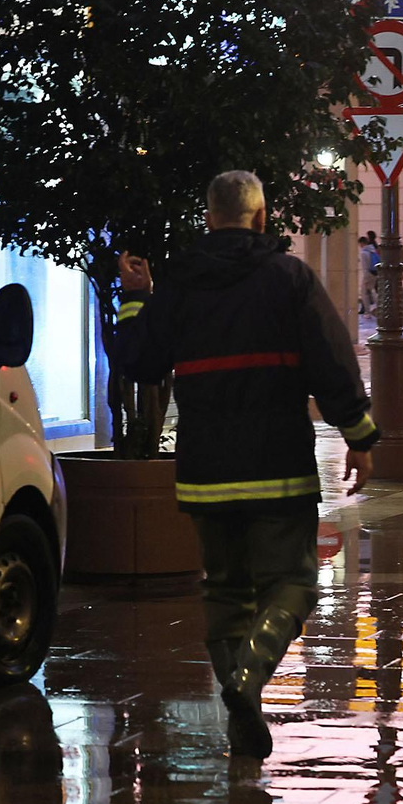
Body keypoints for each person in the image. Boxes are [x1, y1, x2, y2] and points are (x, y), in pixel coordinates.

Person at [116, 170, 379, 757]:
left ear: (209, 218)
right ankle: (245, 680)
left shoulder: (178, 286)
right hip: (278, 468)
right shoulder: (289, 279)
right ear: (261, 218)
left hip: (206, 473)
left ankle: (242, 717)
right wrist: (359, 433)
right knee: (293, 582)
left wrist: (135, 298)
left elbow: (140, 361)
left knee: (226, 592)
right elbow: (332, 361)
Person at [358, 232, 379, 316]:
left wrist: (365, 276)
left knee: (364, 293)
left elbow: (365, 266)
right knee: (373, 290)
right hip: (374, 273)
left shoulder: (363, 253)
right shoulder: (372, 250)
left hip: (368, 274)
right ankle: (378, 307)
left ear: (362, 243)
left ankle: (367, 311)